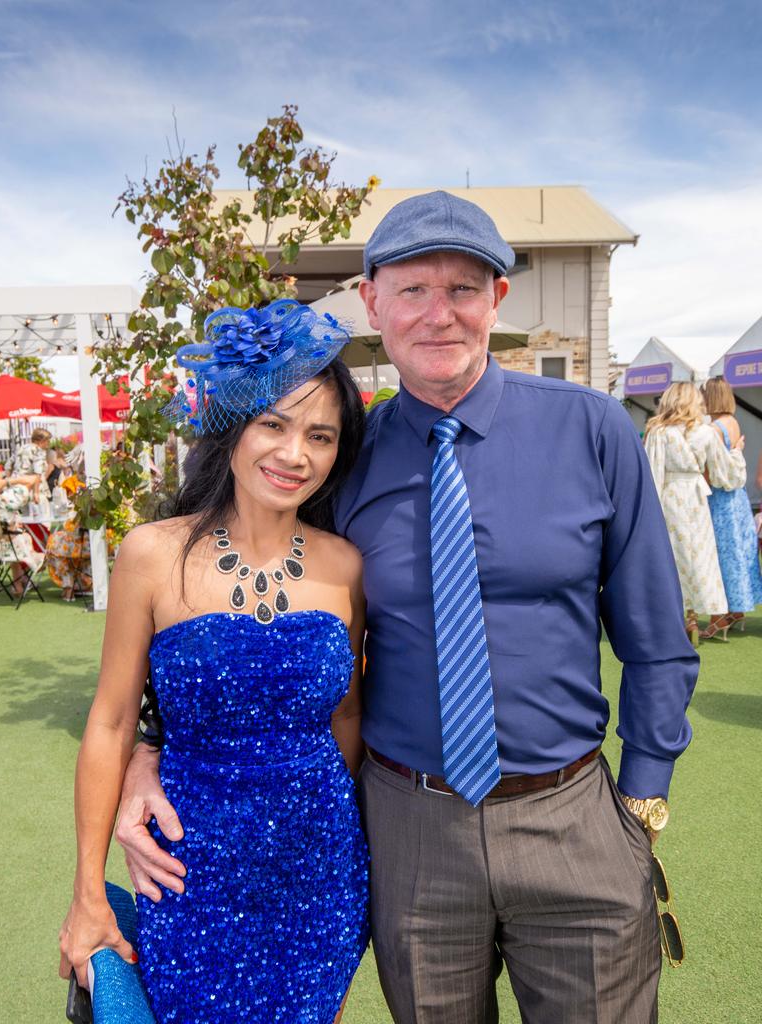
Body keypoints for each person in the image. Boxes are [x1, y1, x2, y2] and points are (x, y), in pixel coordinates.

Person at [117, 191, 699, 1024]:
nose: (440, 315)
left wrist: (642, 797)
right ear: (371, 302)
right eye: (414, 290)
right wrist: (150, 748)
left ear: (499, 299)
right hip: (406, 829)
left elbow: (656, 639)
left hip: (572, 818)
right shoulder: (336, 459)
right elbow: (225, 612)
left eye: (463, 289)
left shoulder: (595, 430)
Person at [59, 300, 370, 1023]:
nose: (296, 454)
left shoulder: (347, 566)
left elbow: (348, 717)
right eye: (275, 424)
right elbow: (109, 723)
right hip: (187, 872)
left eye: (320, 436)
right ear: (233, 427)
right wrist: (87, 889)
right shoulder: (150, 553)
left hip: (320, 877)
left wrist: (325, 831)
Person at [644, 381, 746, 642]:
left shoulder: (658, 431)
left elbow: (651, 473)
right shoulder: (706, 432)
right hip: (697, 497)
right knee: (698, 558)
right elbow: (726, 474)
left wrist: (646, 508)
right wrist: (736, 454)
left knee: (671, 557)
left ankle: (675, 618)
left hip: (670, 496)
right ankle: (692, 618)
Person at [701, 377, 762, 631]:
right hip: (737, 498)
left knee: (719, 556)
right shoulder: (733, 423)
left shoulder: (714, 429)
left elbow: (710, 468)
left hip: (719, 498)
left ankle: (720, 617)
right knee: (737, 552)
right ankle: (736, 610)